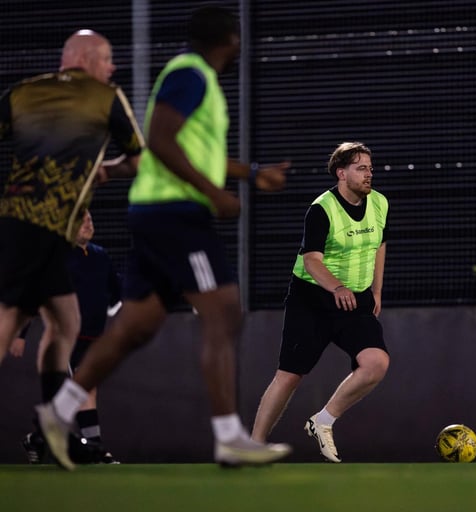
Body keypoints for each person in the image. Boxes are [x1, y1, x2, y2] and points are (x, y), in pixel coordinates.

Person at [36, 5, 291, 470]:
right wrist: (214, 195)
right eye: (237, 38)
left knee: (135, 327)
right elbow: (159, 138)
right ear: (229, 40)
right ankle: (229, 436)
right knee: (223, 310)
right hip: (175, 214)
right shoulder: (190, 74)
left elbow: (191, 148)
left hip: (156, 211)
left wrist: (251, 175)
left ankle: (57, 412)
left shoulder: (199, 82)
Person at [0, 28, 142, 430]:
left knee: (66, 322)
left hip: (26, 225)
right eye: (107, 58)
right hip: (41, 226)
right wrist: (108, 170)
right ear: (86, 59)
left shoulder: (21, 92)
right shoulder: (105, 97)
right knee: (9, 317)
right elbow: (139, 160)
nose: (112, 66)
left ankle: (52, 421)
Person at [250, 142, 390, 463]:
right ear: (341, 173)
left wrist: (377, 291)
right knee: (289, 375)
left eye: (370, 167)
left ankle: (323, 420)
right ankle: (253, 444)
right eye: (360, 168)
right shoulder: (321, 209)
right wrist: (336, 287)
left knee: (376, 364)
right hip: (312, 300)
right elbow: (311, 260)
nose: (368, 174)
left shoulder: (380, 203)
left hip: (355, 301)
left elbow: (380, 245)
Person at [13, 210, 121, 464]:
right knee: (76, 393)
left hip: (93, 338)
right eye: (82, 221)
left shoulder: (100, 255)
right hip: (65, 339)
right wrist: (21, 334)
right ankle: (87, 447)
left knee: (86, 392)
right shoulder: (57, 256)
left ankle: (48, 441)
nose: (88, 224)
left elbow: (115, 292)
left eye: (91, 220)